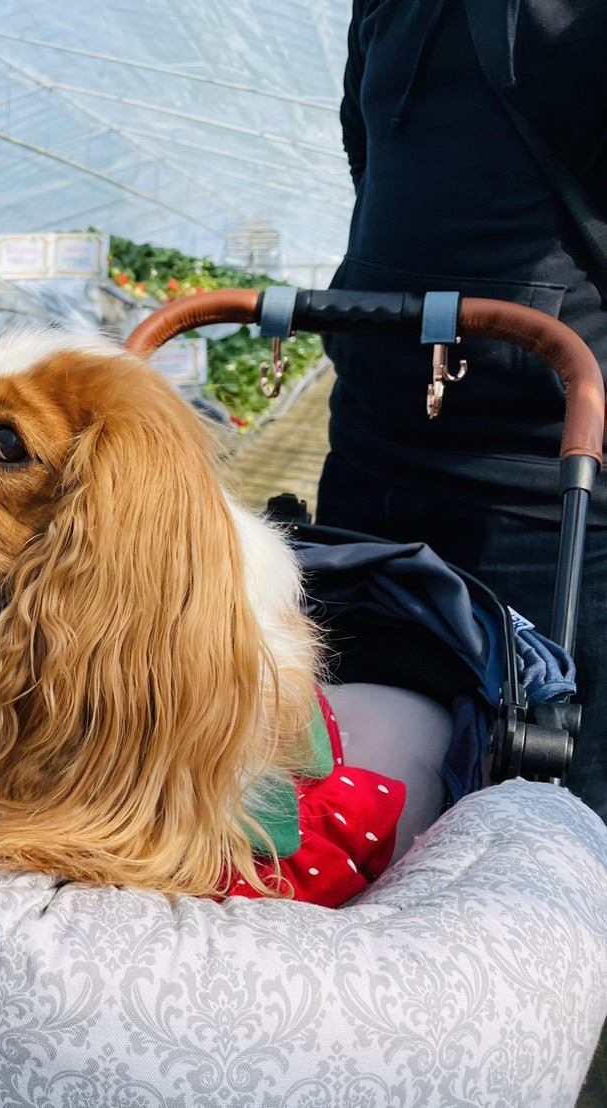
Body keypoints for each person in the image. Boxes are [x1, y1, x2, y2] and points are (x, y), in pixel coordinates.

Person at [317, 0, 607, 824]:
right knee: (351, 775)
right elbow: (366, 148)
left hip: (544, 485)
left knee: (549, 799)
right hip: (370, 454)